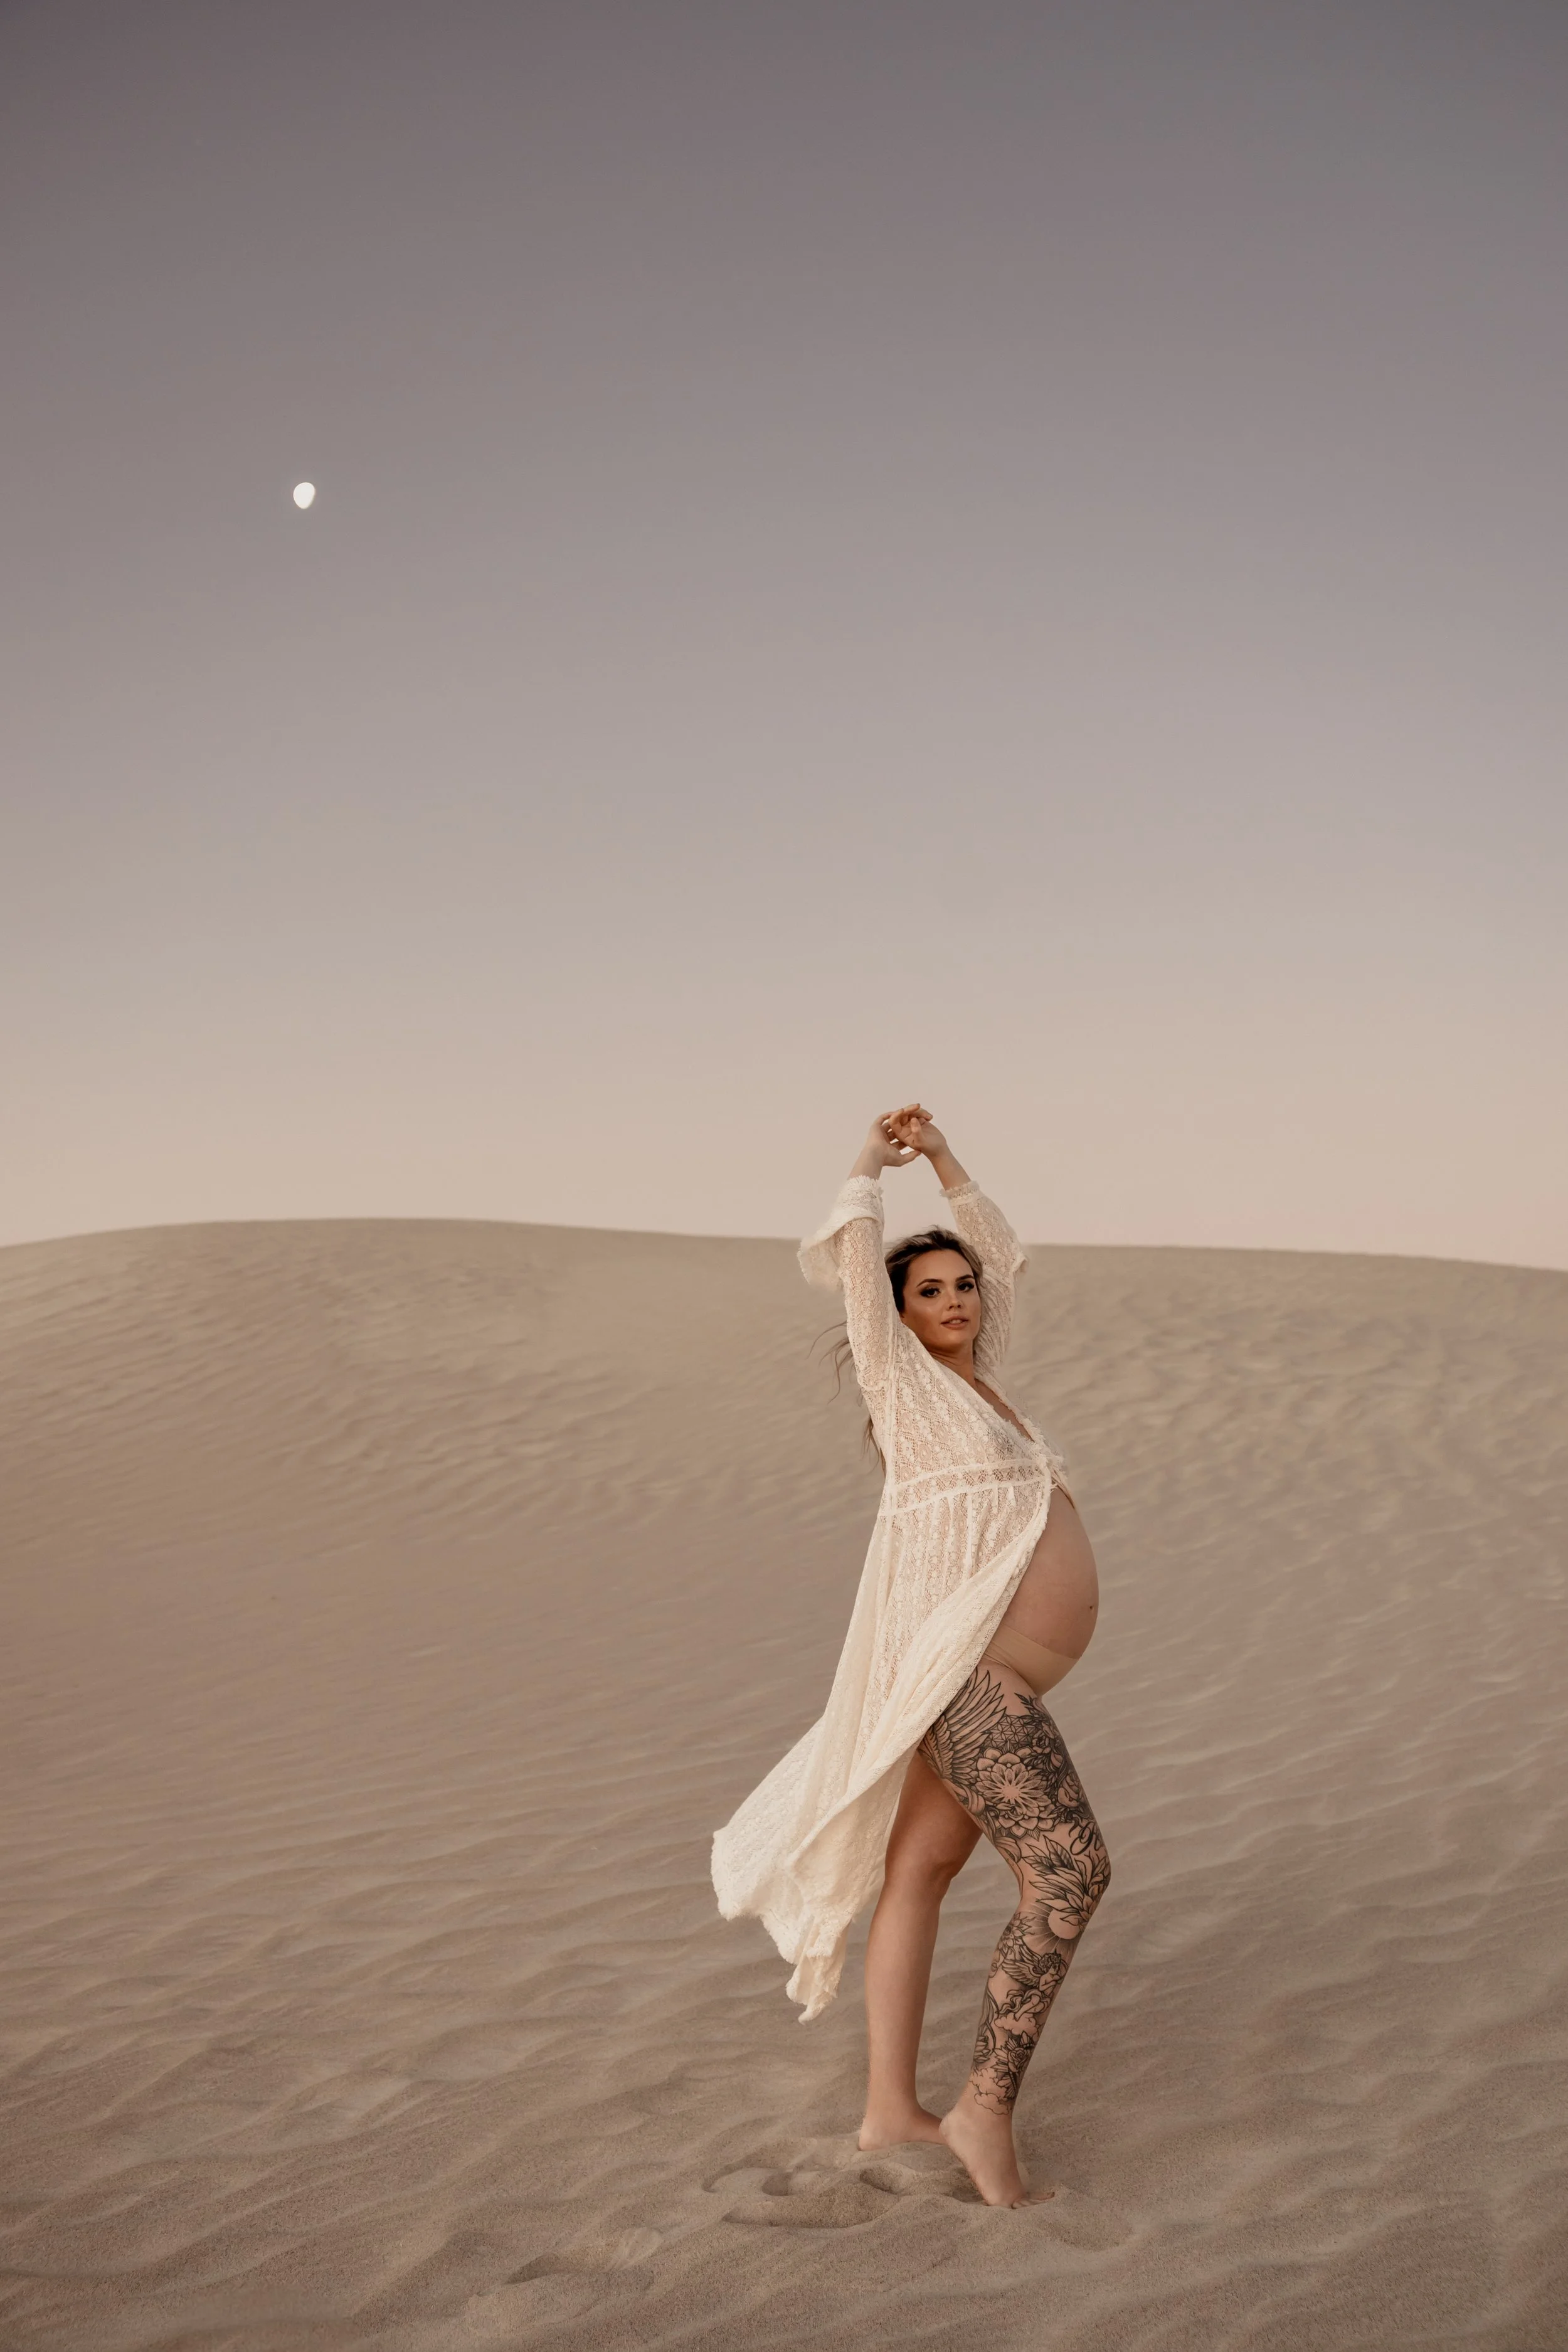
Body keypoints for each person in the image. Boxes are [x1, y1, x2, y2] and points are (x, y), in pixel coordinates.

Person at [712, 1106, 1110, 2208]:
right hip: (970, 1678)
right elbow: (852, 1261)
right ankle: (984, 2105)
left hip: (992, 1676)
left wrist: (947, 1163)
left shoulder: (992, 1389)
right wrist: (869, 1170)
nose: (954, 1299)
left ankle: (891, 2106)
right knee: (1072, 1869)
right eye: (927, 1290)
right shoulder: (910, 1391)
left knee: (922, 1870)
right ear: (896, 1316)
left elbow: (1007, 1256)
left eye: (961, 1286)